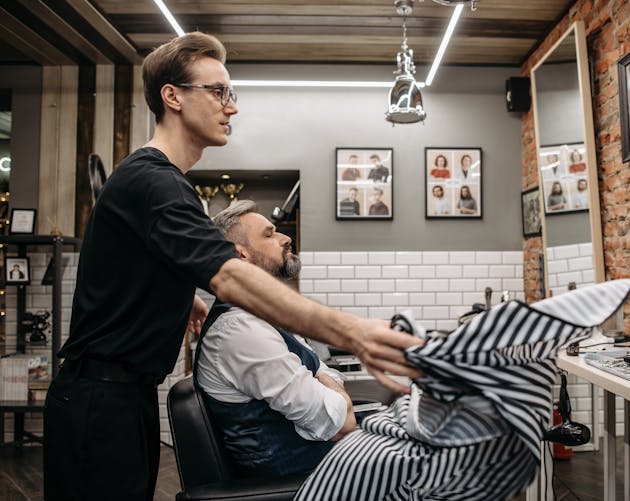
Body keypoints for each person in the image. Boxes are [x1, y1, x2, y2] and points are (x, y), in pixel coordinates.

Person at [43, 32, 420, 501]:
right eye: (218, 91)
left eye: (231, 93)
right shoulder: (154, 181)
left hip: (119, 397)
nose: (231, 106)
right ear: (173, 96)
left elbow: (146, 267)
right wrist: (352, 332)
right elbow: (230, 274)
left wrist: (188, 303)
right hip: (99, 403)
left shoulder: (160, 182)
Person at [196, 200, 356, 477]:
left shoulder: (262, 317)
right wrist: (335, 394)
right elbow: (339, 422)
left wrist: (329, 387)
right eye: (269, 234)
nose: (286, 238)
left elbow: (323, 371)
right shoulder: (239, 330)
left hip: (317, 464)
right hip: (301, 478)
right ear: (241, 254)